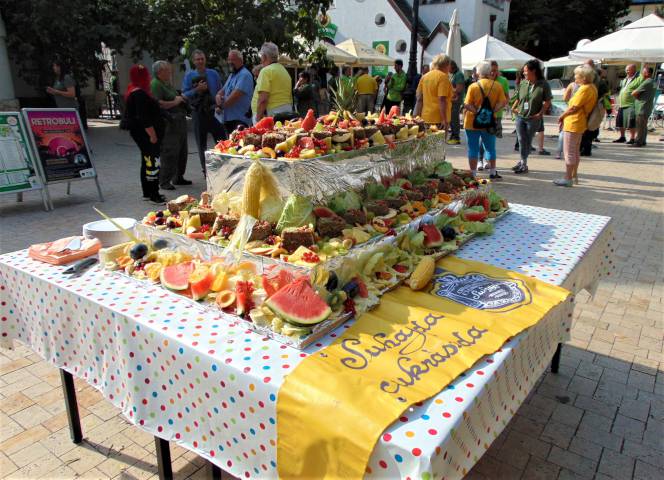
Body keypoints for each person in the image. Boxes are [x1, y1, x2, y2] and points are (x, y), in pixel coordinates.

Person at [125, 64, 166, 204]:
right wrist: (152, 135)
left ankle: (147, 192)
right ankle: (154, 194)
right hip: (146, 135)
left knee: (147, 161)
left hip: (141, 134)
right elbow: (144, 118)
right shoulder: (139, 94)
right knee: (153, 163)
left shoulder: (133, 91)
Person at [182, 49, 225, 174]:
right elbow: (184, 95)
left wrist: (219, 105)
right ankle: (206, 171)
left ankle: (223, 166)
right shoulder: (189, 76)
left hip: (214, 112)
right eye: (197, 59)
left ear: (205, 60)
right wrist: (197, 89)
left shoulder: (213, 73)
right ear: (193, 61)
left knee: (222, 140)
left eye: (202, 59)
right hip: (198, 113)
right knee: (201, 144)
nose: (200, 61)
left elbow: (220, 90)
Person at [463, 61, 507, 179]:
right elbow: (503, 102)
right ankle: (492, 172)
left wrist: (477, 112)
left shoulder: (473, 86)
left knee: (473, 148)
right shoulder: (497, 86)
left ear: (478, 73)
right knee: (490, 148)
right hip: (489, 122)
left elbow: (467, 104)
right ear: (489, 72)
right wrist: (492, 111)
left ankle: (473, 174)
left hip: (471, 122)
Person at [555, 65, 598, 187]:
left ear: (583, 77)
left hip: (573, 122)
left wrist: (562, 116)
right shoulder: (592, 87)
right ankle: (574, 176)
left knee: (569, 152)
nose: (574, 77)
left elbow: (574, 107)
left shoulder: (584, 89)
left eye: (576, 75)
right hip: (580, 123)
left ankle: (568, 178)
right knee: (575, 151)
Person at [151, 61, 190, 191]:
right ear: (159, 72)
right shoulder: (156, 84)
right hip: (169, 123)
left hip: (179, 121)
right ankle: (164, 180)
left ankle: (178, 177)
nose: (170, 72)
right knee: (170, 152)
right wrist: (175, 102)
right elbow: (158, 104)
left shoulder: (166, 83)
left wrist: (180, 99)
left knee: (182, 151)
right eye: (167, 70)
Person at [511, 60, 552, 174]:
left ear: (533, 71)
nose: (523, 73)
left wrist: (540, 114)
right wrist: (513, 108)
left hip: (533, 118)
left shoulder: (544, 84)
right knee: (521, 139)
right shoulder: (523, 83)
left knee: (527, 141)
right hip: (520, 116)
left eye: (525, 71)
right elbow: (518, 98)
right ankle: (523, 163)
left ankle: (522, 162)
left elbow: (547, 101)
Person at [251, 42, 294, 123]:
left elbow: (263, 99)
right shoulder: (284, 71)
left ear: (264, 57)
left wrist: (258, 119)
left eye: (261, 56)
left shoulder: (266, 71)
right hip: (287, 112)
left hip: (272, 114)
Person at [215, 50, 254, 133]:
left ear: (240, 60)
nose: (229, 62)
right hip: (229, 119)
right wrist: (217, 96)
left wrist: (220, 107)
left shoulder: (245, 75)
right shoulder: (232, 74)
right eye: (229, 59)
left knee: (239, 141)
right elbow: (222, 91)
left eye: (232, 60)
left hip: (240, 119)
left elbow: (235, 96)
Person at [414, 55, 452, 131]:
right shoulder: (443, 77)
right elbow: (441, 99)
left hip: (425, 117)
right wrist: (444, 119)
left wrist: (416, 116)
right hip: (438, 119)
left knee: (427, 138)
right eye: (449, 65)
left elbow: (419, 98)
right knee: (439, 139)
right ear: (446, 65)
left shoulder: (424, 77)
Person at [579, 60, 608, 156]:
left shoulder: (591, 78)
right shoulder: (598, 78)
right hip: (593, 106)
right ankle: (586, 149)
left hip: (590, 107)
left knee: (586, 129)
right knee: (589, 129)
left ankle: (584, 149)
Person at [613, 64, 642, 144]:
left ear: (634, 70)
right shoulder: (625, 79)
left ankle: (632, 138)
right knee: (620, 122)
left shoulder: (638, 79)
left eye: (628, 70)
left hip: (631, 104)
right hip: (622, 104)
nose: (627, 71)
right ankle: (622, 137)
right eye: (626, 70)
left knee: (631, 122)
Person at [630, 66, 657, 148]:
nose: (642, 73)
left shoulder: (647, 82)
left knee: (640, 126)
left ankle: (638, 142)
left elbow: (634, 93)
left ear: (647, 73)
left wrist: (636, 96)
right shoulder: (653, 82)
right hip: (647, 107)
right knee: (643, 126)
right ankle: (643, 141)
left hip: (642, 107)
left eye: (643, 72)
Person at [448, 61, 465, 145]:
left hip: (456, 100)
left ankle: (456, 137)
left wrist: (449, 89)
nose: (448, 69)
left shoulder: (458, 75)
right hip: (453, 100)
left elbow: (459, 89)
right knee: (452, 118)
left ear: (452, 67)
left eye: (448, 67)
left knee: (454, 119)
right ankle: (453, 135)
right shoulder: (455, 74)